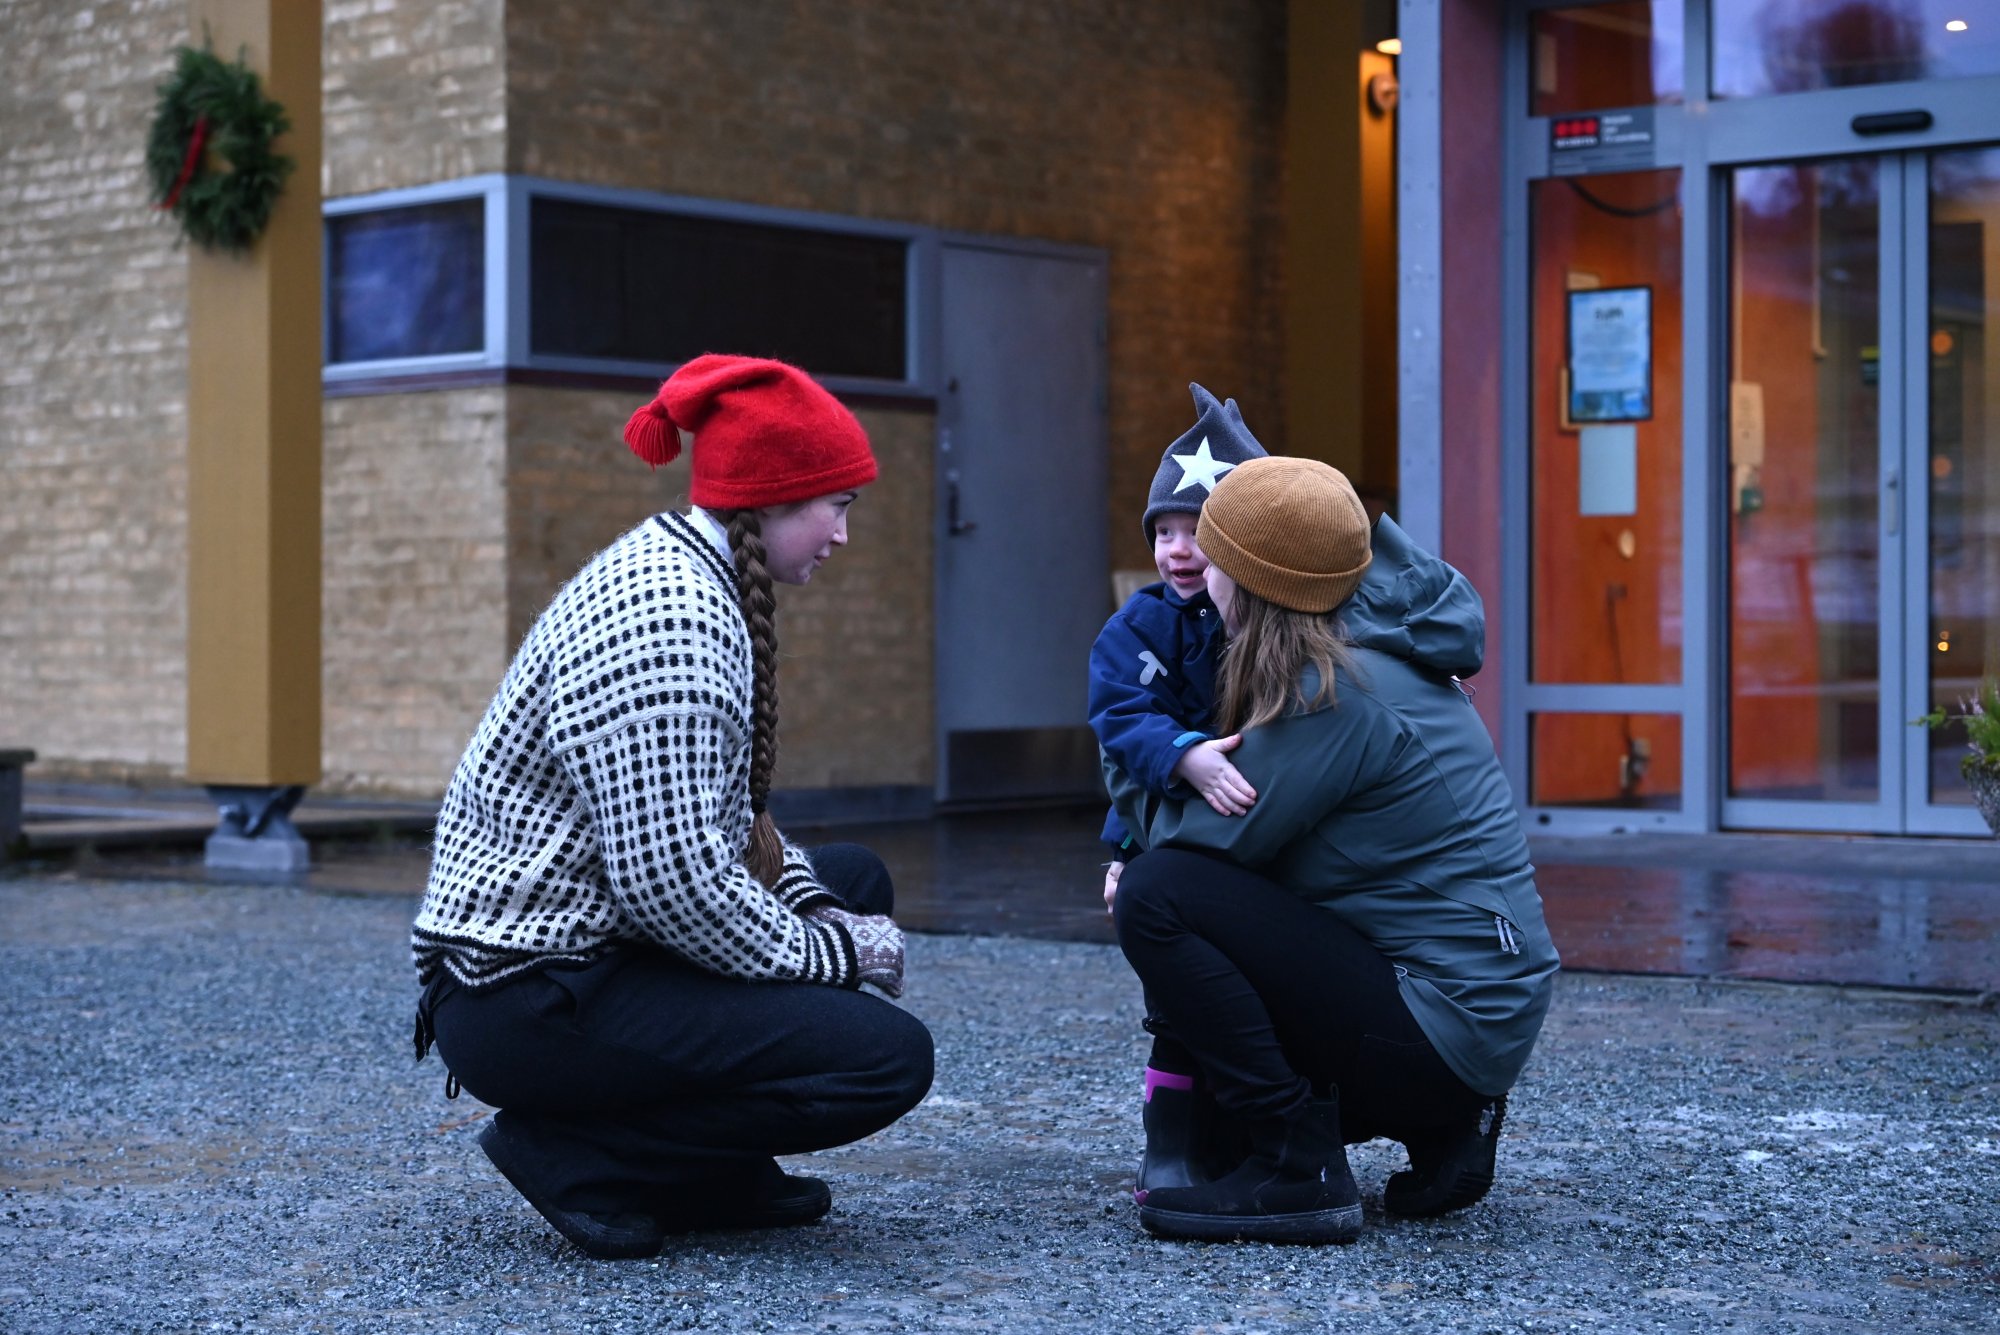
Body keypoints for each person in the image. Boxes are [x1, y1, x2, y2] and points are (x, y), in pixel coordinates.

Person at [409, 354, 936, 1260]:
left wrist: (814, 903)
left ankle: (705, 1168)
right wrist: (837, 952)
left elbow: (722, 827)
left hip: (593, 947)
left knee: (853, 878)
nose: (844, 534)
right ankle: (585, 1153)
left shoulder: (696, 571)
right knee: (887, 1057)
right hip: (528, 992)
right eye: (838, 505)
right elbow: (669, 882)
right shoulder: (672, 618)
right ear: (772, 498)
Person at [1105, 456, 1560, 1245]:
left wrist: (1129, 751)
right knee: (1214, 1133)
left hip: (1445, 1020)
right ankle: (1445, 1123)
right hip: (1472, 1009)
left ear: (1254, 581)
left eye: (1216, 555)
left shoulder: (1338, 690)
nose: (1201, 571)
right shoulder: (1366, 650)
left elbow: (1195, 838)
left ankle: (1299, 1166)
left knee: (1158, 891)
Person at [1086, 383, 1267, 1198]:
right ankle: (1170, 1137)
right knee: (1174, 987)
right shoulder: (1137, 627)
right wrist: (1184, 755)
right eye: (1164, 531)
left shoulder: (1267, 621)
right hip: (1158, 828)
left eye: (1197, 530)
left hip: (1253, 831)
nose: (1177, 550)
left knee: (1244, 981)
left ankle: (1245, 1125)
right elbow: (1120, 717)